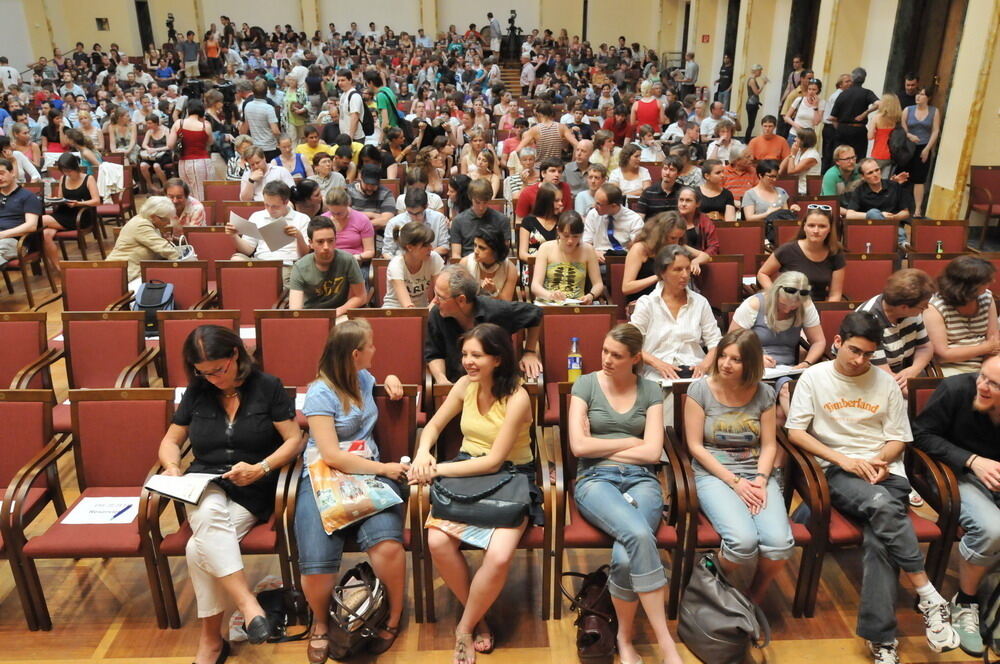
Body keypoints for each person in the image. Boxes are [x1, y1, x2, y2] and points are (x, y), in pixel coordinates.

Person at [786, 311, 961, 663]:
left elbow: (899, 438)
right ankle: (927, 593)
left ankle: (882, 640)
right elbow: (796, 432)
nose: (859, 360)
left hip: (885, 473)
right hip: (838, 472)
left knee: (879, 539)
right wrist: (842, 460)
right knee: (882, 508)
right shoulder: (814, 378)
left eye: (868, 354)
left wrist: (881, 460)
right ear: (836, 342)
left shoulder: (885, 383)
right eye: (853, 350)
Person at [156, 324, 302, 664]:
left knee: (197, 547)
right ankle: (249, 605)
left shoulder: (267, 387)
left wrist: (262, 468)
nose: (213, 379)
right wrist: (172, 466)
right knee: (206, 512)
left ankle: (211, 642)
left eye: (218, 370)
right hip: (204, 483)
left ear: (235, 355)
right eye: (203, 373)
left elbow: (295, 440)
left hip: (252, 486)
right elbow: (170, 441)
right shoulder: (197, 391)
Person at [410, 322, 539, 664]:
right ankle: (476, 617)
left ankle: (463, 629)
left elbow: (495, 459)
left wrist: (435, 469)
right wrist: (424, 451)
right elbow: (434, 425)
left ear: (497, 359)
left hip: (510, 475)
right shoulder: (465, 385)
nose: (467, 361)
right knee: (437, 541)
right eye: (465, 354)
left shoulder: (518, 395)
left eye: (476, 355)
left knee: (498, 556)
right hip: (466, 469)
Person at [568, 323, 685, 664]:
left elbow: (652, 455)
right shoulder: (586, 385)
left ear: (635, 359)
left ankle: (625, 637)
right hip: (595, 480)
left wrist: (601, 446)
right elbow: (578, 447)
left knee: (623, 558)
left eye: (616, 355)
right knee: (636, 532)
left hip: (642, 481)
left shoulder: (650, 389)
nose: (606, 359)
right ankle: (666, 644)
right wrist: (632, 441)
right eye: (604, 351)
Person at [294, 319, 407, 663]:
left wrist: (389, 378)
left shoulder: (362, 377)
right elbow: (332, 455)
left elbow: (378, 379)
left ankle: (393, 616)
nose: (375, 350)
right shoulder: (320, 393)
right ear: (356, 353)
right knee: (317, 563)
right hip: (325, 476)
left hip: (366, 475)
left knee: (387, 545)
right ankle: (321, 623)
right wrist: (385, 469)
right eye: (371, 346)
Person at [684, 328, 794, 603]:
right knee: (742, 543)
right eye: (723, 356)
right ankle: (704, 587)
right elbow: (696, 446)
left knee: (779, 545)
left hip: (755, 472)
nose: (725, 364)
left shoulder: (764, 393)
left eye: (736, 359)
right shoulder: (700, 390)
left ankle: (750, 599)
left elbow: (769, 445)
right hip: (715, 473)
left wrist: (760, 479)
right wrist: (735, 483)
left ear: (751, 363)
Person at [913, 354, 1000, 658]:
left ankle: (995, 605)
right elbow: (920, 435)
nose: (983, 387)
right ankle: (966, 601)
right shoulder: (955, 390)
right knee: (992, 529)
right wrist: (972, 461)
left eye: (994, 384)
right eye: (982, 377)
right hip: (953, 472)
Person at [729, 271, 825, 420]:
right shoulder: (755, 304)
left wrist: (806, 362)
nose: (787, 310)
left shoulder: (806, 304)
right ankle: (795, 431)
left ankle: (799, 431)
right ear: (775, 293)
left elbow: (819, 341)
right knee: (782, 400)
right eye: (782, 305)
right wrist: (755, 358)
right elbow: (731, 341)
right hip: (752, 366)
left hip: (787, 369)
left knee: (789, 394)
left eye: (793, 308)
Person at [425, 265, 543, 384]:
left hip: (498, 385)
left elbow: (535, 313)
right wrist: (441, 379)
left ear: (461, 300)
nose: (434, 301)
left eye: (440, 296)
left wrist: (530, 352)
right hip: (456, 385)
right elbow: (434, 353)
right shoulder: (437, 313)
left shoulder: (496, 310)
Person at [631, 244, 722, 386]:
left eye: (687, 268)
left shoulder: (700, 302)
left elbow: (715, 342)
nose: (685, 275)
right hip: (656, 374)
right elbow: (631, 344)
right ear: (662, 273)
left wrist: (704, 366)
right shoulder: (647, 303)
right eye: (678, 270)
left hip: (695, 371)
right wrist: (658, 363)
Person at [856, 268, 936, 397]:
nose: (926, 308)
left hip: (902, 373)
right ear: (904, 307)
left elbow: (925, 347)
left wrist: (913, 369)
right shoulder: (868, 322)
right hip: (870, 380)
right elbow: (887, 378)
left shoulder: (912, 312)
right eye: (923, 306)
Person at [924, 255, 1000, 376]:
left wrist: (987, 370)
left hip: (986, 361)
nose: (992, 282)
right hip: (951, 368)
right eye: (985, 281)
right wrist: (985, 348)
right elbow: (942, 355)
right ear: (968, 286)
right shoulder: (935, 307)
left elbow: (993, 340)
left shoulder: (986, 297)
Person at [226, 181, 309, 286]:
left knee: (276, 280)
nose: (270, 210)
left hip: (285, 264)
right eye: (266, 205)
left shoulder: (302, 218)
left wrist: (298, 236)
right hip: (259, 262)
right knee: (236, 260)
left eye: (275, 206)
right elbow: (248, 250)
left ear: (286, 202)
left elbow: (305, 255)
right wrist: (234, 236)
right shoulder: (257, 216)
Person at [757, 207, 845, 301]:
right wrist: (775, 295)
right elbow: (762, 273)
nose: (816, 231)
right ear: (804, 227)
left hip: (818, 308)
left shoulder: (835, 252)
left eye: (822, 226)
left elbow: (835, 294)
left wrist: (827, 314)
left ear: (830, 229)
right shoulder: (788, 250)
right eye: (811, 225)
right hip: (789, 306)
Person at [288, 216, 367, 314]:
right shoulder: (300, 267)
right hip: (311, 315)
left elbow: (361, 297)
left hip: (340, 314)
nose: (326, 247)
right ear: (311, 243)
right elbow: (295, 310)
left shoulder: (348, 260)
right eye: (320, 242)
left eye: (330, 241)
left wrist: (336, 313)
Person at [41, 153, 100, 277]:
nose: (67, 174)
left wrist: (78, 203)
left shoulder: (88, 179)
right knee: (45, 234)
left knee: (41, 220)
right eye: (64, 171)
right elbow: (62, 198)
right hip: (64, 213)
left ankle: (30, 249)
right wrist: (54, 199)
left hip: (80, 215)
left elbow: (96, 201)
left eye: (69, 170)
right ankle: (58, 267)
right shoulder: (63, 179)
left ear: (75, 167)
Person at [530, 210, 604, 304]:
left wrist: (591, 295)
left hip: (577, 303)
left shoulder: (588, 250)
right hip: (548, 302)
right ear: (558, 231)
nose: (570, 241)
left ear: (581, 234)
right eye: (566, 236)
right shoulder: (546, 248)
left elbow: (598, 284)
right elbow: (535, 286)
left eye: (575, 237)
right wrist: (550, 295)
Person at [106, 196, 182, 286]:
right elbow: (164, 249)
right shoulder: (141, 225)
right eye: (165, 219)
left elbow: (158, 248)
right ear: (153, 216)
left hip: (136, 273)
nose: (169, 223)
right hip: (123, 276)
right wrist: (187, 264)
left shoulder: (148, 222)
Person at [842, 158, 912, 244]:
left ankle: (900, 242)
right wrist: (872, 215)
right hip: (871, 231)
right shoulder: (859, 191)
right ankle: (901, 242)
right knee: (873, 212)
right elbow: (850, 214)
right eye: (870, 173)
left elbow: (906, 213)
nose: (875, 174)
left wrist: (893, 217)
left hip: (893, 227)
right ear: (863, 177)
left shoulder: (894, 186)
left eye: (877, 170)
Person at [384, 221, 445, 308]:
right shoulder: (396, 265)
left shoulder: (434, 258)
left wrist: (427, 314)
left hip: (423, 309)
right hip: (395, 310)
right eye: (425, 245)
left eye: (430, 244)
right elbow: (407, 306)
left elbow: (440, 295)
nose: (431, 248)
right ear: (409, 247)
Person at [900, 86, 941, 217]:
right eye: (918, 94)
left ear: (928, 97)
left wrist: (927, 149)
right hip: (907, 147)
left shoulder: (934, 111)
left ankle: (917, 209)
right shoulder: (908, 110)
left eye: (922, 94)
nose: (918, 96)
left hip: (923, 147)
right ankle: (900, 206)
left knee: (919, 179)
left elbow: (935, 130)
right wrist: (909, 135)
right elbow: (902, 126)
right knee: (903, 177)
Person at [582, 183, 644, 263]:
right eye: (595, 201)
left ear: (613, 206)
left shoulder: (634, 219)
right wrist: (593, 252)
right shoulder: (593, 214)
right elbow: (586, 242)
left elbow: (638, 248)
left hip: (623, 260)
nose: (594, 206)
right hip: (597, 258)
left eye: (599, 204)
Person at [830, 67, 879, 168]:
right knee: (858, 159)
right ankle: (856, 181)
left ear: (852, 79)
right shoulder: (867, 93)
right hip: (859, 130)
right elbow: (879, 104)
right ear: (864, 79)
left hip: (843, 129)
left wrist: (839, 128)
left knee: (840, 157)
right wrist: (865, 113)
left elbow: (833, 117)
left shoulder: (843, 94)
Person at [0, 158, 44, 270]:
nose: (0, 178)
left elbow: (31, 226)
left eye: (2, 173)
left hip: (17, 241)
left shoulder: (28, 197)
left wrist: (3, 234)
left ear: (13, 173)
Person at [382, 187, 450, 258]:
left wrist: (422, 254)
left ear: (426, 206)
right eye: (410, 213)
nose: (414, 217)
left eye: (418, 213)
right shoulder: (394, 223)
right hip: (402, 263)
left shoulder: (438, 218)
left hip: (430, 260)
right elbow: (387, 252)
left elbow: (444, 247)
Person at [450, 179, 510, 258]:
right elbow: (456, 255)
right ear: (471, 198)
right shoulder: (458, 221)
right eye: (477, 202)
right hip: (467, 263)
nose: (481, 207)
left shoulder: (502, 220)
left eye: (485, 202)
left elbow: (503, 253)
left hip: (493, 262)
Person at [168, 99, 215, 201]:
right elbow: (211, 142)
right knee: (203, 193)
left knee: (188, 193)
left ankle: (191, 215)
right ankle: (203, 215)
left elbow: (170, 145)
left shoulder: (178, 123)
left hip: (184, 162)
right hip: (202, 161)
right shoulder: (205, 125)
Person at [461, 225, 518, 301]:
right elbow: (461, 299)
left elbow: (506, 304)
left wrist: (494, 292)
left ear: (495, 251)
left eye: (482, 248)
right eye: (475, 245)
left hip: (498, 311)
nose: (476, 251)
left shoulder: (510, 269)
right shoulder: (465, 263)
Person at [323, 187, 376, 265]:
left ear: (347, 204)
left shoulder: (362, 219)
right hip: (330, 263)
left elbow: (370, 251)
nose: (336, 216)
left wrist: (356, 257)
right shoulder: (323, 220)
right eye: (332, 213)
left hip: (355, 262)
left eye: (339, 213)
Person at [348, 164, 396, 244]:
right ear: (360, 178)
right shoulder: (348, 191)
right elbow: (344, 216)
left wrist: (358, 222)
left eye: (374, 185)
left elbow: (386, 220)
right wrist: (372, 215)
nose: (370, 188)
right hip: (352, 235)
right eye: (367, 184)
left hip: (378, 236)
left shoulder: (386, 193)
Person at [518, 182, 562, 265]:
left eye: (561, 200)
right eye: (557, 201)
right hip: (533, 267)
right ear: (546, 202)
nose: (561, 203)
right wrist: (541, 262)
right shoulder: (528, 221)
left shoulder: (562, 221)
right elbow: (522, 254)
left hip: (556, 267)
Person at [675, 186, 720, 256]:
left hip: (701, 263)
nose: (683, 204)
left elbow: (714, 247)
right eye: (681, 200)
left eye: (688, 200)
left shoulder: (704, 220)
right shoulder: (672, 220)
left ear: (697, 204)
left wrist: (701, 258)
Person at [779, 127, 820, 197]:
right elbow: (780, 170)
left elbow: (791, 171)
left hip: (805, 192)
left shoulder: (812, 155)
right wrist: (791, 154)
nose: (795, 139)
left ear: (804, 141)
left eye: (797, 138)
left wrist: (792, 154)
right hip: (794, 189)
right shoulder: (798, 151)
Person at [868, 93, 901, 177]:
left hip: (878, 153)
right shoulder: (898, 119)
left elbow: (870, 136)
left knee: (874, 178)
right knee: (885, 181)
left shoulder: (877, 117)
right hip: (892, 153)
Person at [783, 79, 824, 145]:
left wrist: (815, 107)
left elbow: (816, 122)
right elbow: (786, 117)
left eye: (814, 90)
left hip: (808, 136)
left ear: (818, 91)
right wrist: (796, 125)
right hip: (794, 134)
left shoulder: (821, 103)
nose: (811, 92)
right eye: (809, 89)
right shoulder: (799, 100)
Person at [138, 114, 171, 193]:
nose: (148, 125)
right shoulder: (149, 131)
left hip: (164, 153)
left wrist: (156, 149)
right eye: (147, 123)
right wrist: (149, 149)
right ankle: (151, 185)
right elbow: (144, 144)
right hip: (153, 154)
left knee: (156, 166)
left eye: (150, 123)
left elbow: (169, 146)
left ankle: (165, 186)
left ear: (156, 123)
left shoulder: (166, 130)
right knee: (143, 166)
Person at [744, 65, 768, 140]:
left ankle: (747, 139)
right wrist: (763, 84)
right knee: (751, 124)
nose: (761, 72)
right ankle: (747, 140)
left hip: (752, 103)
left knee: (751, 124)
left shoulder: (753, 79)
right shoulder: (752, 80)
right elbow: (756, 92)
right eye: (760, 70)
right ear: (756, 71)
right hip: (751, 104)